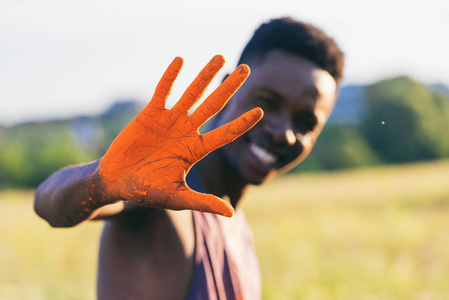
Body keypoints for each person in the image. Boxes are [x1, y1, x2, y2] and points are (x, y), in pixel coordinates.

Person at [34, 17, 344, 299]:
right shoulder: (160, 198)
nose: (284, 133)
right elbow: (49, 205)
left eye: (305, 123)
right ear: (227, 90)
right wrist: (103, 180)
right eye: (267, 103)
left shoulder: (235, 223)